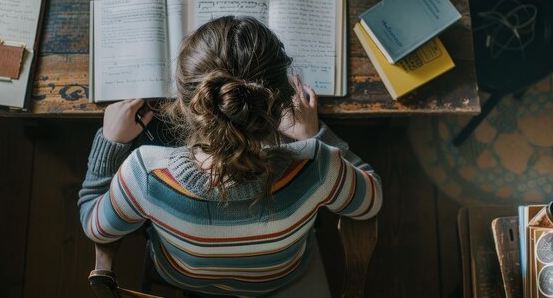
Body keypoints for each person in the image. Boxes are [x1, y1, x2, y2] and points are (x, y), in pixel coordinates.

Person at [78, 16, 382, 297]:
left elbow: (95, 224)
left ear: (184, 107)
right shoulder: (318, 164)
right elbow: (371, 200)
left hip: (181, 277)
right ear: (280, 106)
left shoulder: (144, 172)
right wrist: (315, 136)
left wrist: (110, 142)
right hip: (281, 276)